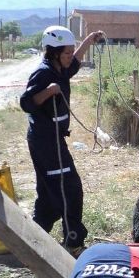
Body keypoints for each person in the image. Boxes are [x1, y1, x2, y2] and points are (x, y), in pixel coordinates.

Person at [19, 26, 104, 257]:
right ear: (54, 52)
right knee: (70, 189)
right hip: (47, 142)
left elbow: (76, 60)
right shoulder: (44, 73)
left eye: (70, 51)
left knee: (49, 192)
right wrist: (48, 91)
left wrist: (90, 39)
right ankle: (73, 242)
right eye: (66, 52)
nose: (70, 56)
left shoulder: (61, 68)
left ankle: (36, 237)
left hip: (52, 140)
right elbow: (26, 102)